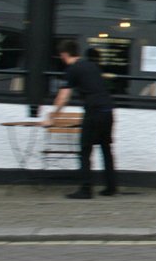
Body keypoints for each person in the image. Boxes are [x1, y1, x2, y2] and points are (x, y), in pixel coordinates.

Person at [48, 40, 117, 199]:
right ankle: (111, 187)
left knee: (85, 150)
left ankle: (86, 189)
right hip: (108, 110)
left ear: (64, 54)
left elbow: (63, 97)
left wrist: (52, 115)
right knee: (106, 149)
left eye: (61, 56)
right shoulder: (91, 65)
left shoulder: (72, 69)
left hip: (94, 112)